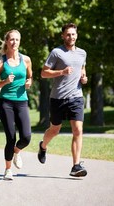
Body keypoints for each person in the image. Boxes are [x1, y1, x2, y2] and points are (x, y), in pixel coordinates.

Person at [38, 23, 88, 177]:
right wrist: (62, 72)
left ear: (77, 35)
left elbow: (82, 69)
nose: (71, 37)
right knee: (54, 130)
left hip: (76, 97)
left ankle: (76, 166)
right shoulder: (56, 52)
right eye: (68, 34)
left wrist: (84, 78)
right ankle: (43, 145)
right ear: (63, 36)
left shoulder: (82, 53)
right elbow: (44, 73)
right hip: (58, 98)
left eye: (73, 34)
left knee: (78, 130)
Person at [0, 30, 33, 180]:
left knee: (26, 137)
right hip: (6, 102)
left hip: (22, 101)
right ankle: (8, 169)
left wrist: (29, 82)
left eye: (17, 40)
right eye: (12, 40)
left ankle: (17, 151)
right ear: (7, 42)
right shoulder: (0, 62)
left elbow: (30, 76)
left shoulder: (26, 59)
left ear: (20, 41)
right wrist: (5, 81)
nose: (14, 42)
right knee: (11, 137)